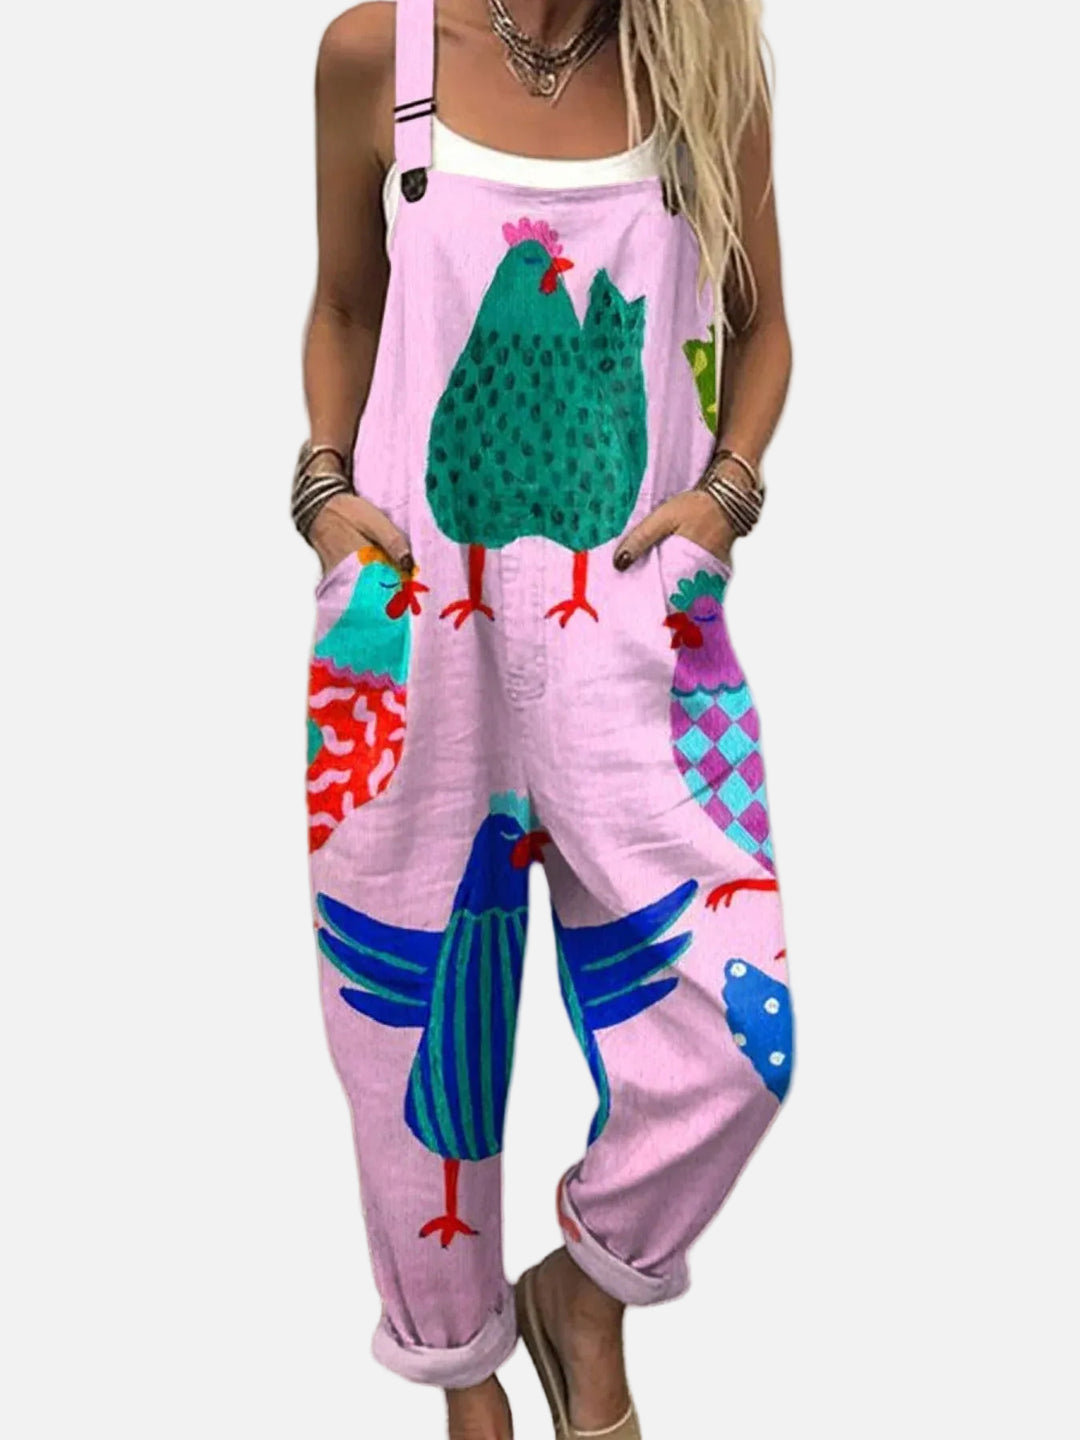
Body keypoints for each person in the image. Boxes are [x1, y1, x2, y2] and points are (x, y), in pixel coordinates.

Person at [293, 2, 793, 1435]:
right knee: (403, 1021)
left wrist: (726, 498)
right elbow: (345, 308)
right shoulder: (379, 57)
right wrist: (323, 493)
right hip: (412, 628)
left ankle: (585, 1290)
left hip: (632, 620)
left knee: (736, 1033)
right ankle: (462, 1377)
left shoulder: (700, 63)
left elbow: (761, 328)